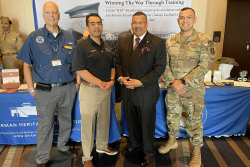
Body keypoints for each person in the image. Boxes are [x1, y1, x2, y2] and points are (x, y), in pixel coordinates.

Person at [16, 1, 79, 167]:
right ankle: (42, 157)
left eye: (54, 12)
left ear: (59, 15)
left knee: (66, 120)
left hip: (68, 88)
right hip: (44, 91)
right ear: (43, 16)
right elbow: (26, 65)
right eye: (48, 12)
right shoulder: (33, 37)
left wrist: (77, 83)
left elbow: (77, 63)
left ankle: (63, 146)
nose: (51, 15)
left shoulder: (69, 36)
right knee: (45, 125)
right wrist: (31, 88)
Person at [158, 7, 216, 167]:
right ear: (178, 21)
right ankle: (172, 141)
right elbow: (164, 65)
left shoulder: (205, 41)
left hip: (193, 91)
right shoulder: (170, 41)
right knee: (172, 117)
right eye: (182, 18)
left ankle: (196, 151)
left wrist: (182, 82)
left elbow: (204, 66)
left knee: (194, 122)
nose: (185, 21)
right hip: (172, 89)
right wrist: (173, 83)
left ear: (195, 19)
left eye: (188, 17)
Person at [115, 12, 166, 166]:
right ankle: (135, 143)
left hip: (145, 90)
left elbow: (159, 68)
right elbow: (117, 62)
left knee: (147, 123)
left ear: (146, 24)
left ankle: (149, 152)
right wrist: (120, 78)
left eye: (140, 22)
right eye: (134, 22)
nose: (137, 25)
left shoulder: (157, 42)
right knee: (130, 119)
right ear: (131, 24)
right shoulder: (124, 41)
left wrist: (140, 82)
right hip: (127, 89)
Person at [72, 13, 118, 167]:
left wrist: (111, 81)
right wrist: (99, 83)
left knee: (104, 120)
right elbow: (79, 70)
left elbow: (112, 66)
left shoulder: (106, 45)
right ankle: (86, 157)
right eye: (93, 23)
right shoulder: (81, 46)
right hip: (90, 89)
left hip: (106, 89)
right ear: (87, 27)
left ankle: (102, 146)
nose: (96, 26)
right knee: (88, 125)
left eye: (99, 23)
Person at [0, 16, 24, 82]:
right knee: (6, 79)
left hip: (14, 59)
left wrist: (21, 61)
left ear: (10, 25)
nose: (3, 25)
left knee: (17, 78)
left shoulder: (16, 35)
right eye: (1, 23)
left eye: (5, 23)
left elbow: (21, 49)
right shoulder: (0, 36)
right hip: (4, 59)